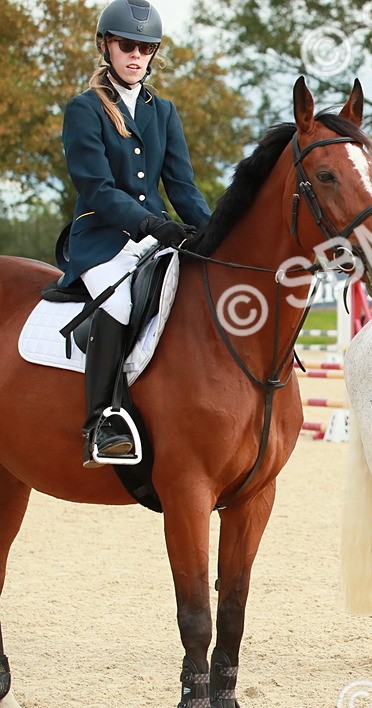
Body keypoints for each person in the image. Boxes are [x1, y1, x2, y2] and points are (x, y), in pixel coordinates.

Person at [59, 0, 211, 466]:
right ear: (106, 45)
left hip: (156, 234)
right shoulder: (85, 109)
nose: (136, 55)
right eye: (127, 45)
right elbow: (97, 188)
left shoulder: (162, 111)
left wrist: (214, 236)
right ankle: (101, 423)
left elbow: (182, 188)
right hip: (102, 238)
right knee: (119, 300)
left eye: (146, 48)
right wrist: (147, 223)